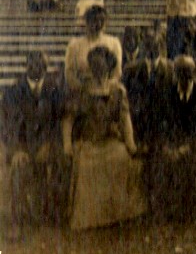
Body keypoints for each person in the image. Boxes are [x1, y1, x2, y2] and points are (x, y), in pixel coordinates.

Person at [61, 46, 147, 230]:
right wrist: (67, 144)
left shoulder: (118, 90)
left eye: (102, 65)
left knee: (121, 157)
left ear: (109, 66)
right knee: (87, 165)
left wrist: (130, 143)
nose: (98, 69)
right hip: (89, 140)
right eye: (94, 65)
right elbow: (68, 119)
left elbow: (125, 119)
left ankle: (118, 214)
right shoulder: (82, 89)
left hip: (110, 140)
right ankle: (91, 219)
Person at [2, 51, 66, 239]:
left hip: (46, 146)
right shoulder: (14, 91)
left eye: (41, 65)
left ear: (46, 69)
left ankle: (53, 215)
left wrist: (49, 144)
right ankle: (16, 222)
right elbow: (7, 125)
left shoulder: (54, 90)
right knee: (19, 166)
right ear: (26, 67)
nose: (37, 68)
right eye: (32, 65)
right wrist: (17, 151)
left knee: (61, 162)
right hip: (23, 146)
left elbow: (58, 122)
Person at [146, 55, 196, 222]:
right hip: (170, 144)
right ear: (174, 73)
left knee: (190, 164)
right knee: (161, 163)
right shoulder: (164, 94)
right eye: (180, 71)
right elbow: (158, 124)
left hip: (194, 146)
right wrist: (166, 147)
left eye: (188, 71)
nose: (184, 75)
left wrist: (185, 148)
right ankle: (165, 210)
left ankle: (188, 210)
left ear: (194, 73)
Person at [65, 3, 123, 97]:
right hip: (82, 93)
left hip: (107, 92)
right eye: (95, 20)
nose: (98, 24)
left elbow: (117, 73)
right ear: (87, 21)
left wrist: (104, 89)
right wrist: (83, 90)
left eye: (102, 20)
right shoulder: (74, 45)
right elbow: (69, 73)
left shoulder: (113, 43)